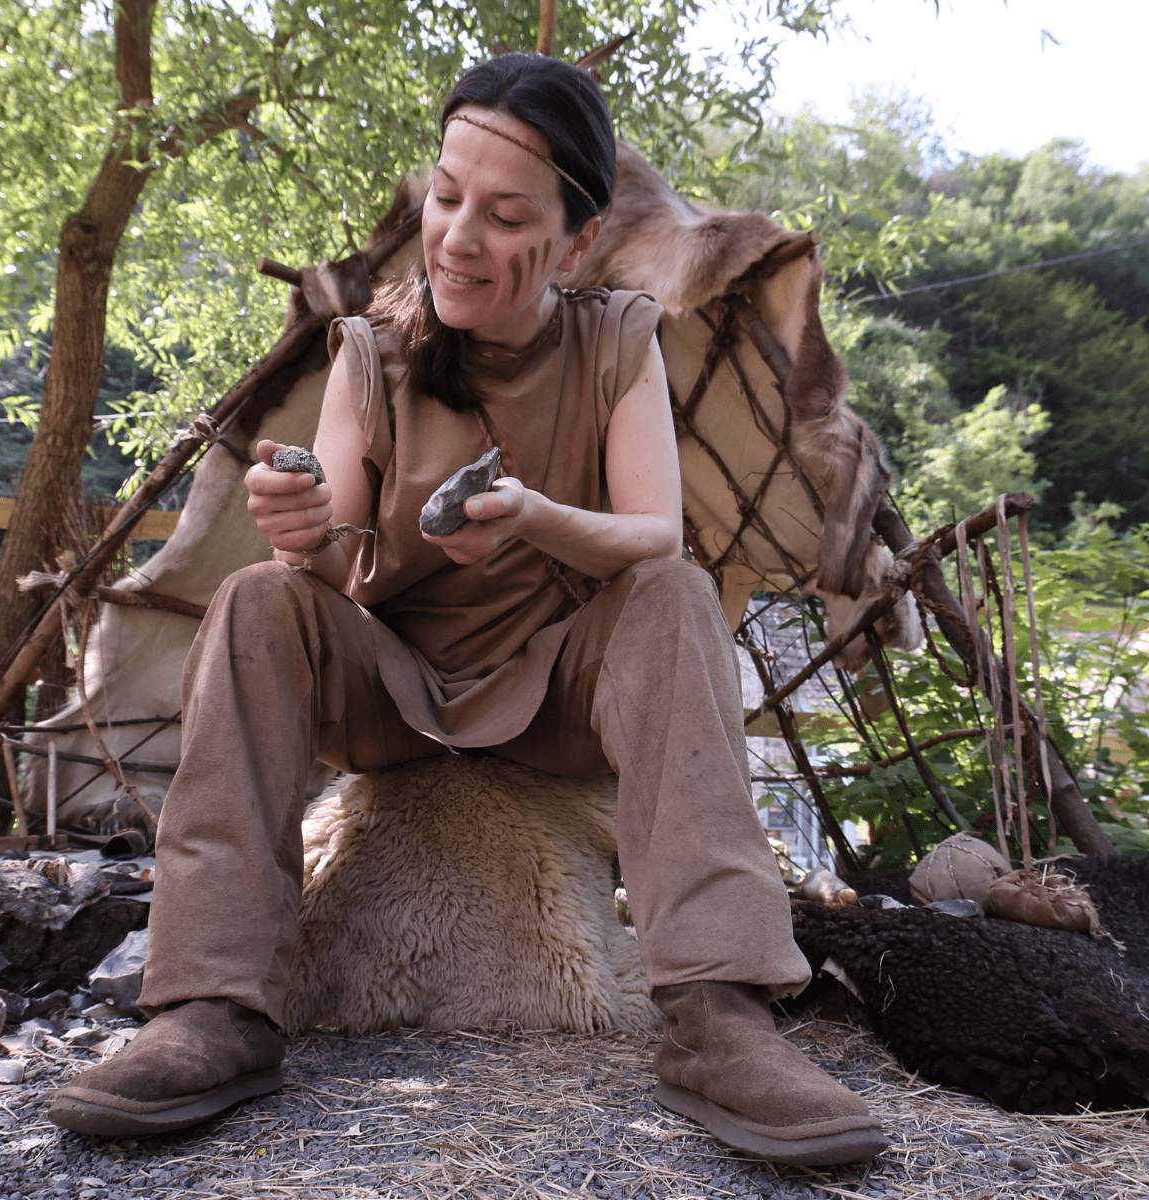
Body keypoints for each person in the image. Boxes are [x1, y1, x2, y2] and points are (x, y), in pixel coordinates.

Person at [47, 53, 886, 1166]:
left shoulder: (617, 342)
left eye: (503, 215)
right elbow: (335, 558)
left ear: (577, 242)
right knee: (257, 597)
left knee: (675, 593)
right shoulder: (372, 354)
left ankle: (717, 1018)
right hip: (390, 696)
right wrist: (298, 520)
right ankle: (210, 1010)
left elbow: (653, 535)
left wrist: (535, 515)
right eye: (447, 198)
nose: (455, 237)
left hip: (554, 701)